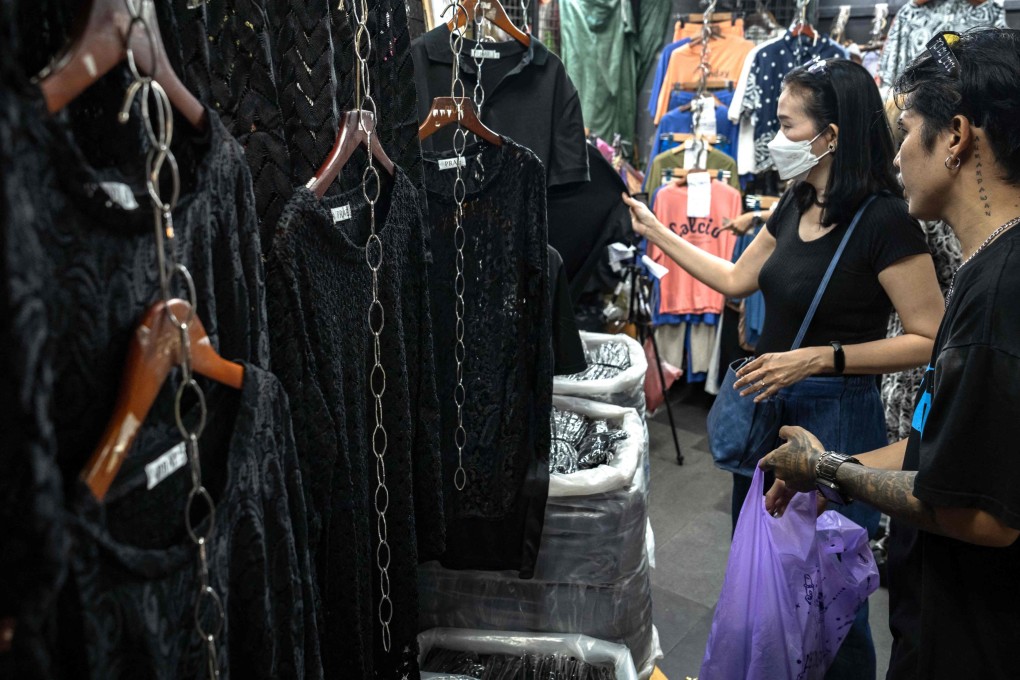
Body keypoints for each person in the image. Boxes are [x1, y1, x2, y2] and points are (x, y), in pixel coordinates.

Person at [623, 58, 945, 680]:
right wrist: (658, 231)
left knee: (828, 597)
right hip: (769, 419)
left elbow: (929, 337)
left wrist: (823, 357)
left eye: (785, 124)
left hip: (835, 424)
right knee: (768, 578)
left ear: (831, 134)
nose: (774, 138)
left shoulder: (883, 219)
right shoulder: (797, 199)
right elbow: (738, 277)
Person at [760, 28, 1020, 680]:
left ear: (956, 136)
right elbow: (941, 450)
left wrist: (837, 470)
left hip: (971, 640)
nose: (896, 154)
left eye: (906, 129)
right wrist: (823, 470)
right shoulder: (987, 273)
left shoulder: (1000, 293)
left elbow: (980, 512)